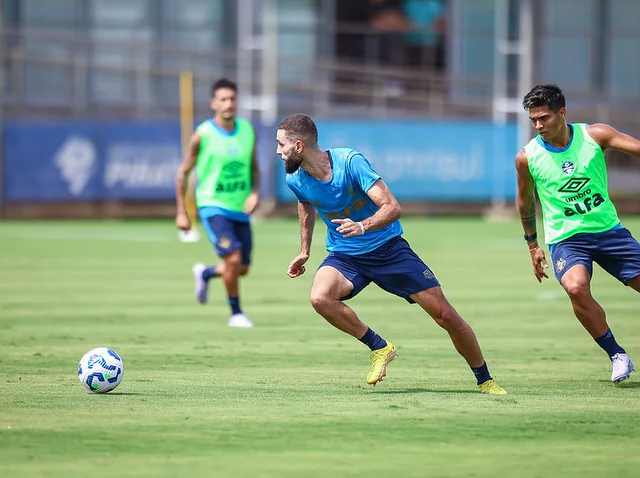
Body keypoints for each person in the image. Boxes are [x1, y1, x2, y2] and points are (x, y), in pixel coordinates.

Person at [276, 113, 506, 393]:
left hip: (388, 250)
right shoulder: (295, 178)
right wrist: (304, 250)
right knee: (320, 297)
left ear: (298, 146)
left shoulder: (350, 163)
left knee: (445, 315)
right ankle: (379, 347)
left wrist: (363, 226)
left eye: (281, 145)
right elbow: (306, 204)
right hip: (346, 255)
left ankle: (485, 379)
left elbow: (393, 207)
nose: (278, 152)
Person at [515, 83, 640, 383]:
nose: (538, 125)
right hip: (567, 240)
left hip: (610, 232)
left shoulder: (595, 135)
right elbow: (524, 200)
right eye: (533, 120)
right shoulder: (527, 157)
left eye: (544, 117)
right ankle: (617, 354)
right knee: (575, 287)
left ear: (562, 112)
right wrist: (532, 244)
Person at [175, 78, 260, 328]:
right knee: (233, 259)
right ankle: (236, 313)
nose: (228, 103)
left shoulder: (247, 130)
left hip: (240, 208)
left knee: (241, 268)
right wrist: (182, 212)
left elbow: (255, 167)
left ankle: (205, 273)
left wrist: (255, 192)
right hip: (212, 206)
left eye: (232, 99)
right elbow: (183, 173)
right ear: (214, 103)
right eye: (223, 99)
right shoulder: (203, 134)